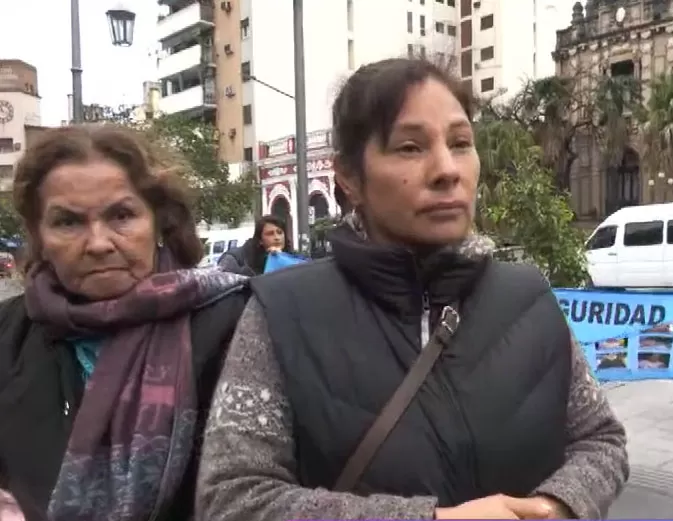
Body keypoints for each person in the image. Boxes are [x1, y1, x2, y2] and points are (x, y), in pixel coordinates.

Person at [196, 58, 629, 521]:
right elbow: (231, 498)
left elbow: (601, 440)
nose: (447, 169)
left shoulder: (529, 299)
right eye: (409, 147)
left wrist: (554, 506)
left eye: (461, 143)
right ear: (348, 177)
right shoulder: (281, 313)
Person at [0, 125, 249, 521]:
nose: (98, 243)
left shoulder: (236, 325)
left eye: (121, 215)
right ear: (38, 236)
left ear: (159, 223)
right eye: (68, 222)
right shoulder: (9, 334)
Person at [217, 214, 294, 275]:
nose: (277, 237)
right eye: (270, 234)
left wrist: (281, 259)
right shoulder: (235, 259)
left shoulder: (293, 258)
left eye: (280, 233)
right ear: (260, 239)